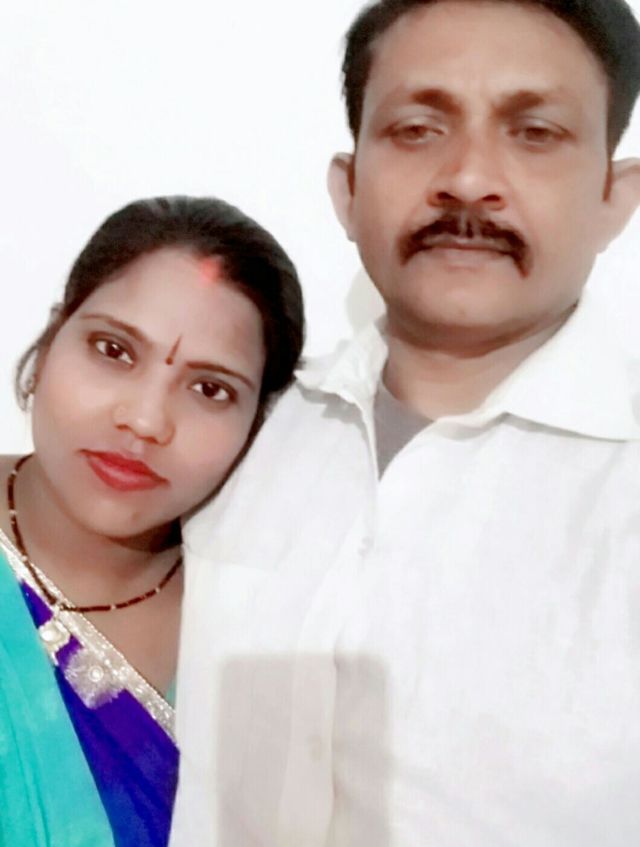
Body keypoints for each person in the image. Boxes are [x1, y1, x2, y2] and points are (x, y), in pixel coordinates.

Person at [172, 1, 640, 845]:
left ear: (617, 196)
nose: (468, 178)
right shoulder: (236, 432)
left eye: (534, 133)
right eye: (418, 129)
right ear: (348, 190)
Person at [0, 195, 303, 847]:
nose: (144, 420)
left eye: (210, 389)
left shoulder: (271, 631)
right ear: (50, 343)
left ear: (257, 425)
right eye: (113, 349)